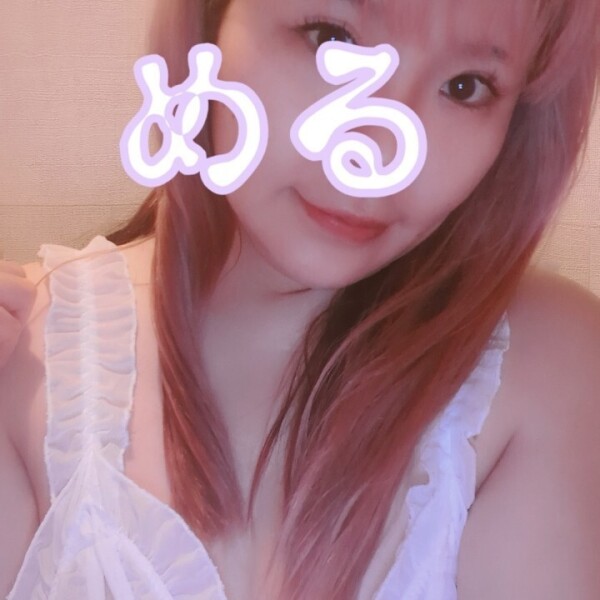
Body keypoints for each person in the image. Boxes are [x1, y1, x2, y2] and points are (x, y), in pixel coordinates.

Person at [1, 0, 600, 598]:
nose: (376, 151)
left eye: (465, 87)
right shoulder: (28, 352)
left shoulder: (542, 368)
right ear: (210, 21)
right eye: (330, 39)